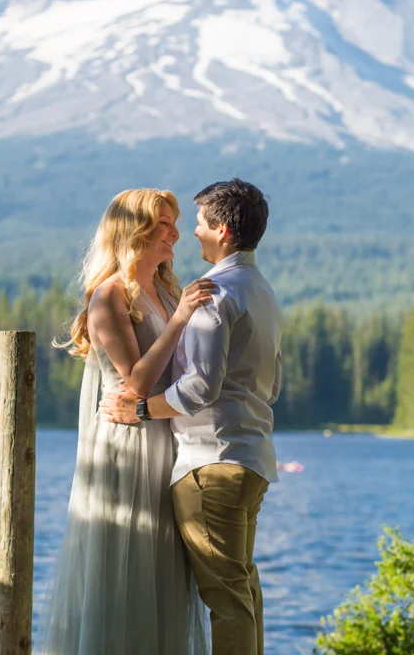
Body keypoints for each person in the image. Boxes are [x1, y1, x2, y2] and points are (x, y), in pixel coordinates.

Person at [102, 178, 282, 655]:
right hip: (253, 458)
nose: (191, 234)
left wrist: (141, 409)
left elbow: (201, 387)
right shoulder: (262, 291)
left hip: (211, 461)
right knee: (242, 586)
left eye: (199, 223)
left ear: (222, 230)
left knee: (226, 598)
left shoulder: (212, 293)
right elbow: (274, 383)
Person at [41, 188, 213, 655]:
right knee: (126, 564)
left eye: (174, 221)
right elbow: (134, 382)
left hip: (165, 440)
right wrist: (179, 320)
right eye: (163, 222)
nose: (175, 231)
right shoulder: (108, 296)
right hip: (126, 445)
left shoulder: (165, 290)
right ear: (132, 230)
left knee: (160, 567)